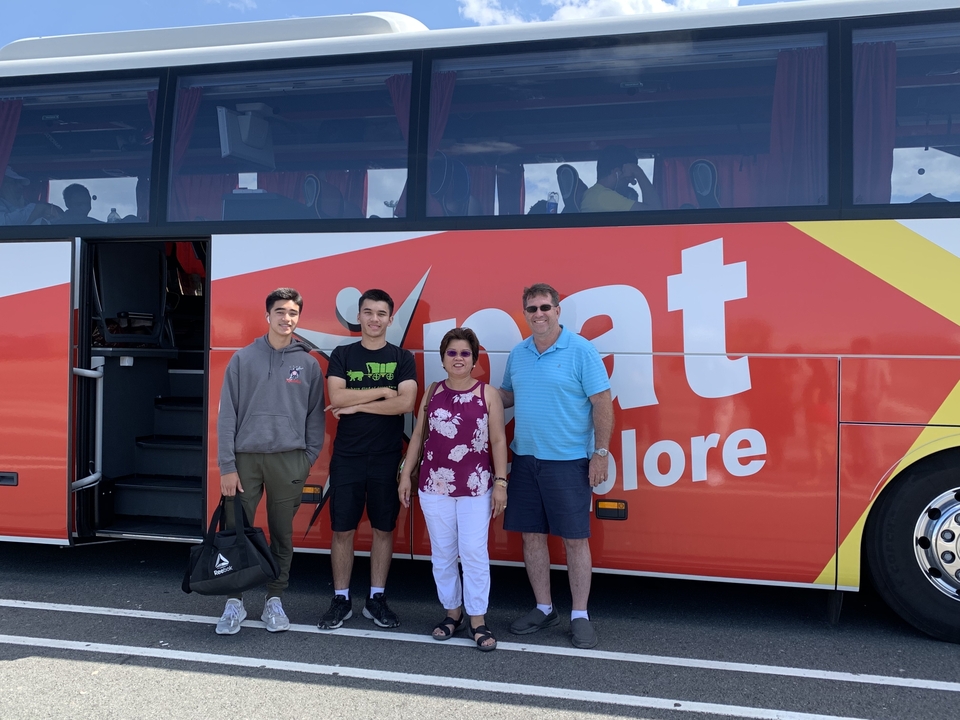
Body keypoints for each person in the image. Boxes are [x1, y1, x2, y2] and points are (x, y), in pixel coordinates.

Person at [499, 283, 613, 649]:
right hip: (527, 460)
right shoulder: (518, 354)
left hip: (568, 463)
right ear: (525, 314)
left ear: (558, 310)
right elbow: (506, 396)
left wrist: (600, 452)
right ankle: (544, 608)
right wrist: (461, 388)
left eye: (545, 307)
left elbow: (602, 402)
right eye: (531, 309)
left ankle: (580, 615)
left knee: (575, 541)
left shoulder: (581, 350)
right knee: (532, 538)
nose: (539, 314)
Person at [216, 287, 325, 635]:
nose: (286, 318)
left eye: (292, 312)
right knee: (236, 532)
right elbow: (226, 416)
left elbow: (314, 418)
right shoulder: (242, 359)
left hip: (288, 462)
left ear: (298, 317)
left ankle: (274, 600)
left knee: (282, 534)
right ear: (267, 316)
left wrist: (305, 460)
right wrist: (227, 466)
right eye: (280, 311)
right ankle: (234, 602)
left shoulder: (308, 364)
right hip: (245, 461)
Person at [398, 328, 508, 651]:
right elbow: (418, 436)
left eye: (464, 353)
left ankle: (478, 619)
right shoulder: (432, 391)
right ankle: (452, 613)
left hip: (476, 488)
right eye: (452, 353)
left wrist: (500, 483)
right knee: (443, 555)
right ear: (443, 358)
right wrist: (406, 475)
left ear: (474, 360)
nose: (458, 358)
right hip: (434, 487)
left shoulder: (487, 394)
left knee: (474, 553)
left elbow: (499, 440)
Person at [319, 289, 417, 630]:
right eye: (368, 312)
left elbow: (405, 404)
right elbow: (335, 395)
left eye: (381, 313)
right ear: (358, 316)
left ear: (391, 319)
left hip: (387, 457)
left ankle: (376, 598)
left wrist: (358, 405)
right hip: (347, 457)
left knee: (383, 529)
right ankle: (341, 599)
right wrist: (381, 390)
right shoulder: (342, 354)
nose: (374, 319)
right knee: (342, 530)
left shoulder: (403, 357)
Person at [580, 145, 661, 213]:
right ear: (617, 172)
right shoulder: (603, 197)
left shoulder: (593, 194)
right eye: (628, 178)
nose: (630, 183)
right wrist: (638, 171)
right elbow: (655, 212)